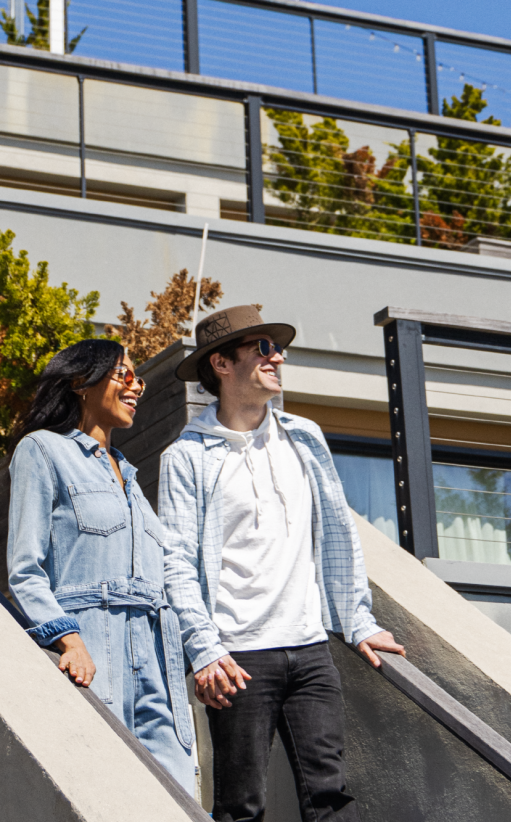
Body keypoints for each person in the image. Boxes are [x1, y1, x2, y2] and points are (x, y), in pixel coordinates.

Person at [159, 305, 405, 821]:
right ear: (222, 365)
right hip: (238, 658)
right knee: (240, 807)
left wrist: (358, 622)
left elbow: (337, 536)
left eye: (277, 347)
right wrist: (204, 651)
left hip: (311, 649)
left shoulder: (304, 437)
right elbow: (177, 563)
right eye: (263, 348)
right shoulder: (187, 456)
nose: (280, 356)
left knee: (331, 799)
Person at [7, 339, 195, 792]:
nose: (136, 387)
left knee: (178, 798)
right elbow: (25, 569)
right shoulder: (43, 451)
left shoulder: (131, 480)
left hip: (156, 667)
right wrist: (67, 639)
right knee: (105, 790)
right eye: (124, 375)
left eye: (139, 378)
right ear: (80, 382)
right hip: (93, 650)